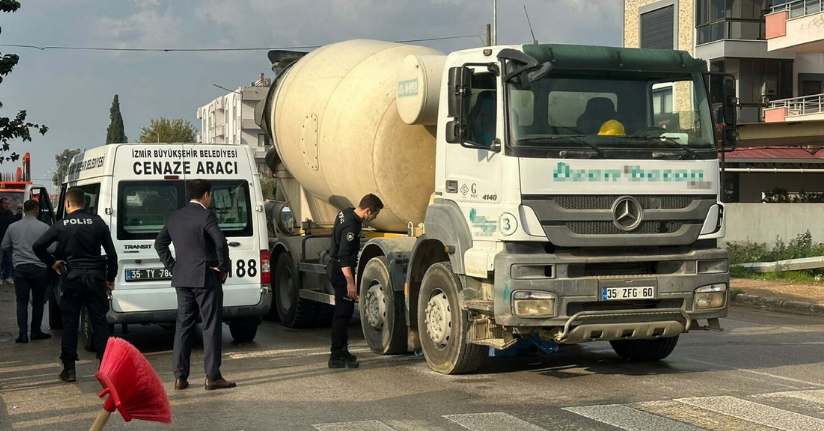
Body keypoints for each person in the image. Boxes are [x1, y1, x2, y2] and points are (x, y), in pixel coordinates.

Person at [154, 179, 235, 391]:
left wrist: (173, 266)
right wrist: (223, 267)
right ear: (206, 195)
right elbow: (220, 242)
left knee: (183, 327)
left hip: (182, 278)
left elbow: (159, 243)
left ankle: (180, 377)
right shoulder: (207, 215)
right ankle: (212, 377)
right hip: (206, 277)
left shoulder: (175, 216)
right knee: (210, 326)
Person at [33, 187, 117, 383]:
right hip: (96, 277)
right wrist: (110, 278)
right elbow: (112, 255)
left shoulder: (61, 225)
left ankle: (69, 369)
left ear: (67, 204)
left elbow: (37, 246)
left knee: (70, 323)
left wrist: (52, 261)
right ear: (85, 203)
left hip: (72, 278)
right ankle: (105, 369)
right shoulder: (98, 222)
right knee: (99, 321)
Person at [326, 194, 383, 369]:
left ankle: (342, 351)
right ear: (367, 211)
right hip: (340, 270)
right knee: (342, 314)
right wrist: (350, 282)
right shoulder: (352, 226)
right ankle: (336, 355)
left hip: (336, 267)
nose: (374, 218)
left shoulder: (346, 212)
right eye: (375, 214)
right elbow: (344, 256)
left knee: (345, 311)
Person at [2, 200, 54, 343]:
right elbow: (51, 248)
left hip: (20, 269)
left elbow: (5, 246)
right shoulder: (44, 227)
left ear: (24, 210)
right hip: (39, 269)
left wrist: (17, 250)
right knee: (38, 301)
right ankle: (36, 331)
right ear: (37, 210)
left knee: (21, 301)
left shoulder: (12, 227)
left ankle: (23, 334)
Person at [0, 197, 17, 284]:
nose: (6, 205)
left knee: (9, 260)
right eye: (4, 203)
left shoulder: (10, 214)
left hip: (8, 240)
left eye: (7, 203)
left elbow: (14, 223)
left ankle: (7, 276)